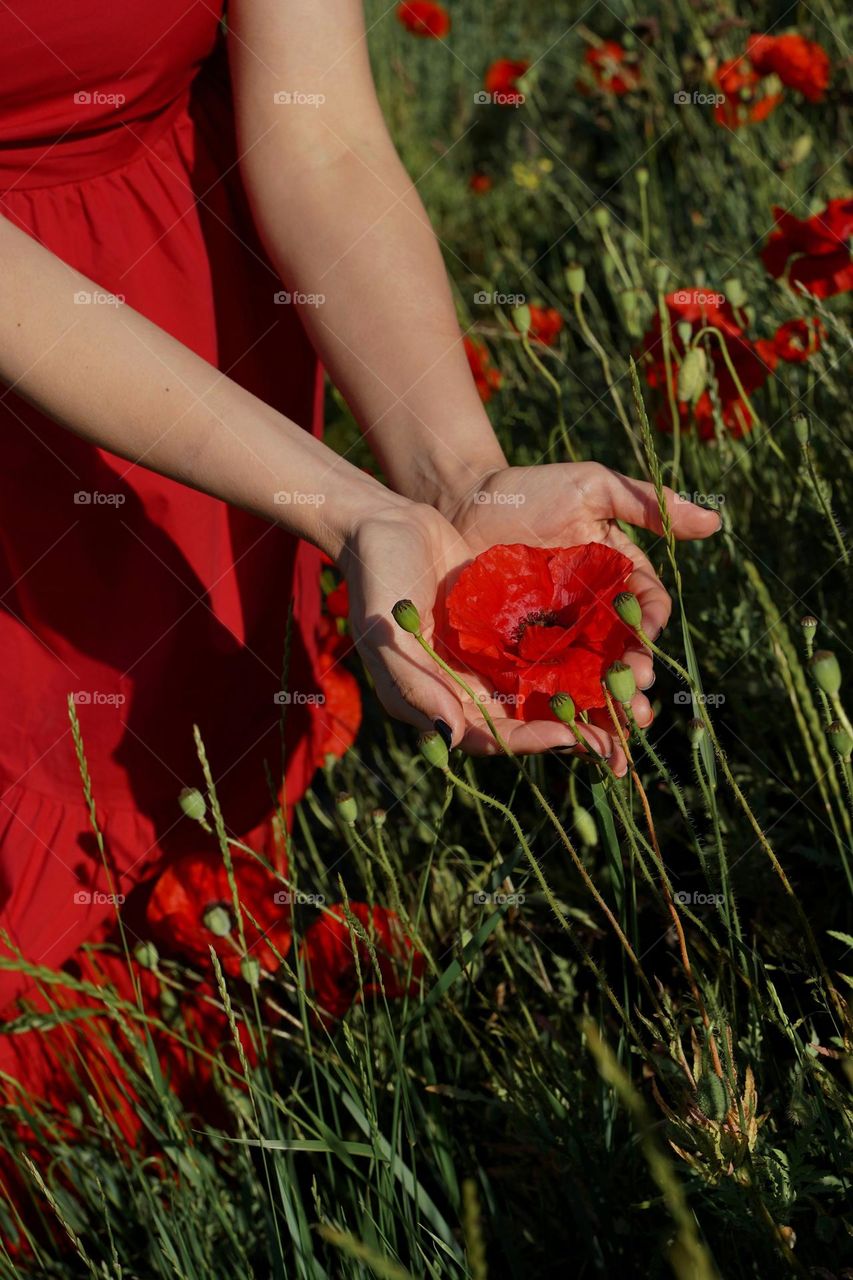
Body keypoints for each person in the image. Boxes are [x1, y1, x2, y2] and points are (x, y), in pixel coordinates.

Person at [0, 0, 720, 1013]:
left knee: (184, 772)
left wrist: (453, 477)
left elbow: (320, 132)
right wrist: (344, 503)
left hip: (192, 345)